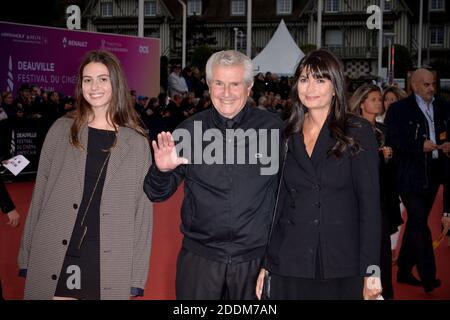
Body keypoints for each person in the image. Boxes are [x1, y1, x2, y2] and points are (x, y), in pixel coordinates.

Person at [144, 50, 282, 300]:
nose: (226, 93)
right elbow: (155, 192)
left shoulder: (275, 130)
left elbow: (292, 194)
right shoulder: (189, 130)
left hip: (256, 261)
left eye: (235, 84)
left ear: (249, 87)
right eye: (219, 83)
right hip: (200, 260)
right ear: (208, 85)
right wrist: (161, 170)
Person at [18, 50, 153, 300]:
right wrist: (26, 255)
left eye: (103, 79)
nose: (94, 87)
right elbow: (40, 196)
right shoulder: (60, 130)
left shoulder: (137, 143)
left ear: (116, 83)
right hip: (56, 247)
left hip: (107, 253)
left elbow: (142, 214)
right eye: (87, 79)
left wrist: (136, 277)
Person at [256, 49, 382, 300]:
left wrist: (372, 270)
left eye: (320, 79)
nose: (310, 87)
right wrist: (266, 264)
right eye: (304, 79)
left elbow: (369, 206)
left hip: (340, 261)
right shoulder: (287, 133)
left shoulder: (357, 130)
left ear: (335, 87)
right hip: (290, 259)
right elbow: (279, 203)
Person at [384, 68, 450, 293]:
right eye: (426, 84)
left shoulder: (443, 106)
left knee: (415, 222)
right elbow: (393, 140)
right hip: (409, 173)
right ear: (414, 86)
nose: (431, 88)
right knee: (420, 221)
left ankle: (403, 269)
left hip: (434, 172)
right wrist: (418, 146)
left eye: (433, 84)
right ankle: (429, 276)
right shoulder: (399, 110)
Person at [349, 83, 403, 299]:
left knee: (381, 250)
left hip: (383, 197)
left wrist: (388, 158)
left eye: (379, 99)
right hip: (359, 199)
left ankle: (384, 293)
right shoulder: (352, 131)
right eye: (373, 99)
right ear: (362, 104)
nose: (379, 103)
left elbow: (393, 167)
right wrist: (379, 157)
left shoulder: (383, 131)